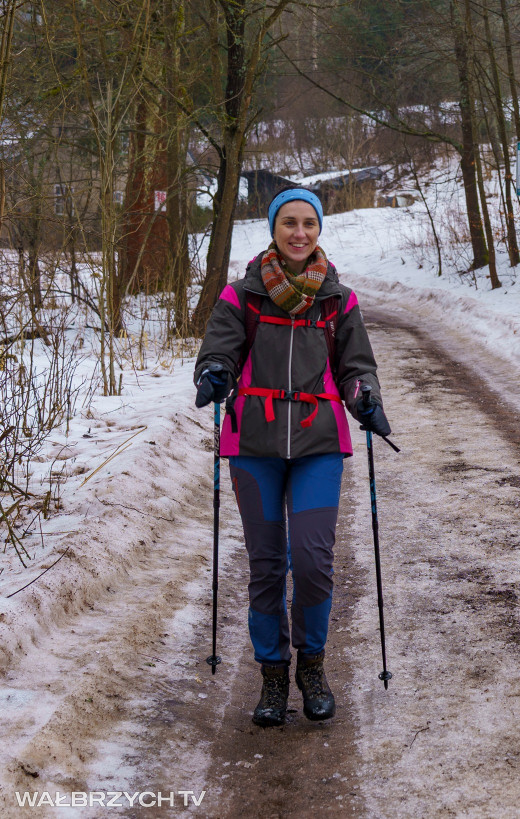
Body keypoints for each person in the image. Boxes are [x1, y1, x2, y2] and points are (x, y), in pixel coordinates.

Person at [194, 187, 392, 727]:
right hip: (252, 446)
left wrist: (365, 397)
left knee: (311, 560)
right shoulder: (242, 296)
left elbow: (356, 368)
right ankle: (273, 675)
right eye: (289, 223)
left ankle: (312, 665)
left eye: (308, 223)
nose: (299, 232)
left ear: (319, 230)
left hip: (318, 445)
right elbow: (219, 352)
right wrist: (213, 374)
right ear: (273, 229)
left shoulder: (339, 300)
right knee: (266, 565)